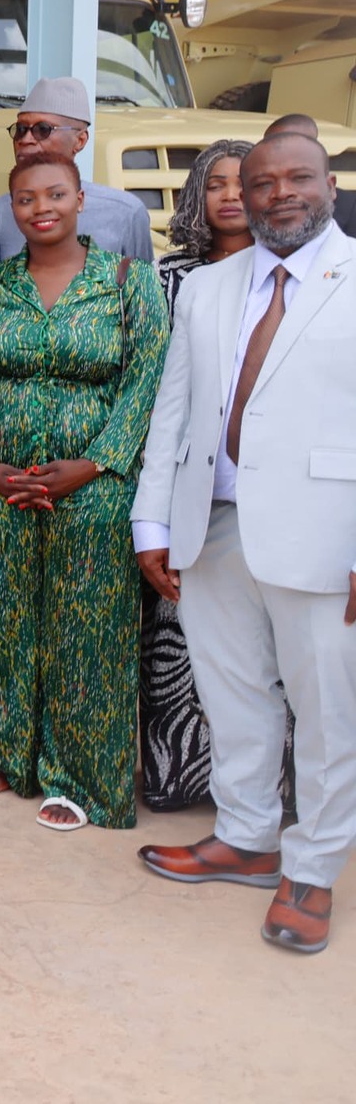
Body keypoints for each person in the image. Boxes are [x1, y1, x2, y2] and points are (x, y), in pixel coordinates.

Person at [133, 133, 356, 954]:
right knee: (233, 698)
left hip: (326, 537)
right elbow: (175, 408)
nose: (279, 194)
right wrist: (152, 523)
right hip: (211, 525)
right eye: (263, 183)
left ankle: (314, 869)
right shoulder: (211, 286)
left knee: (330, 714)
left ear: (329, 186)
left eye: (298, 178)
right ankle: (249, 836)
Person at [0, 150, 167, 831]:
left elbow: (146, 382)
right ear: (12, 208)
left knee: (86, 631)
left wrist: (96, 463)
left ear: (80, 200)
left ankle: (82, 780)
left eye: (54, 194)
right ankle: (8, 753)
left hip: (93, 489)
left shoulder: (128, 281)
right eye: (25, 198)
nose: (40, 207)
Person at [139, 139, 254, 810]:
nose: (231, 195)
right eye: (216, 184)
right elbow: (160, 390)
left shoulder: (292, 274)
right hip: (186, 487)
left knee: (261, 654)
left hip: (261, 494)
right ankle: (176, 774)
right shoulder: (167, 278)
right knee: (175, 642)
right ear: (195, 197)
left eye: (244, 183)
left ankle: (268, 789)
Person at [0, 78, 154, 262]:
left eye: (42, 129)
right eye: (20, 129)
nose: (26, 139)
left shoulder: (125, 214)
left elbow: (141, 287)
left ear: (80, 140)